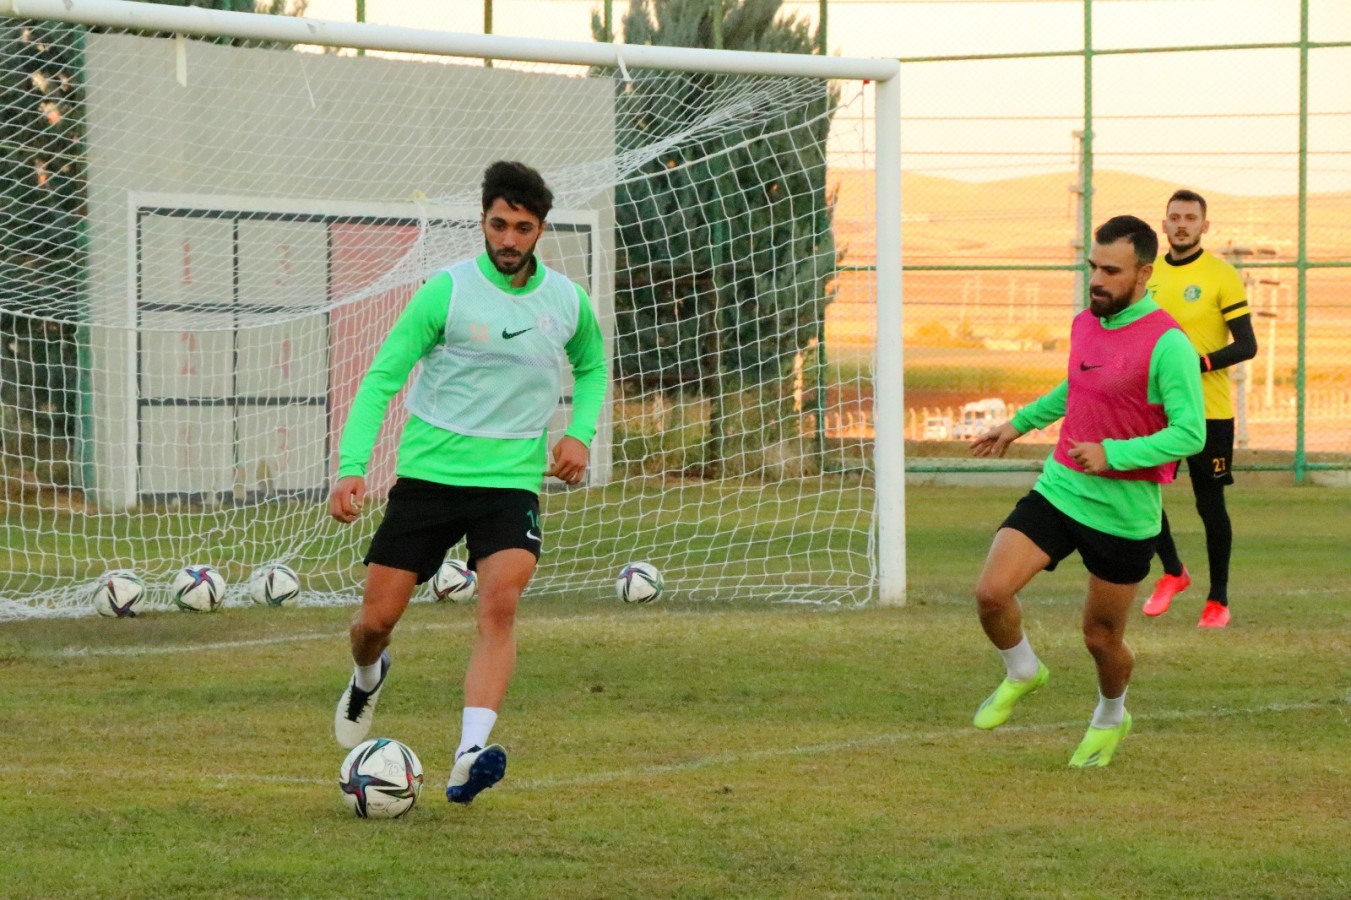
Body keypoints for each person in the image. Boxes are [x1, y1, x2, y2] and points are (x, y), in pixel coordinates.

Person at [329, 160, 608, 804]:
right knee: (375, 620)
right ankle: (368, 676)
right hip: (429, 476)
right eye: (499, 225)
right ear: (483, 221)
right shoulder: (446, 292)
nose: (508, 239)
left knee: (499, 604)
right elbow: (381, 379)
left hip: (510, 482)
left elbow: (593, 366)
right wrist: (351, 465)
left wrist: (579, 433)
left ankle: (468, 756)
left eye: (522, 228)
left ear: (541, 231)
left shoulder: (566, 301)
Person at [968, 215, 1204, 768]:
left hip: (1124, 513)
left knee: (1100, 639)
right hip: (1061, 488)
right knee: (991, 594)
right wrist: (1018, 424)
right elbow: (1077, 386)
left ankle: (1110, 714)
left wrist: (1112, 454)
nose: (1097, 279)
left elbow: (1189, 432)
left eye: (1111, 271)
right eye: (1093, 266)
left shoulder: (1169, 343)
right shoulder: (1086, 322)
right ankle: (1023, 669)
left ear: (1143, 273)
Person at [1142, 189, 1258, 628]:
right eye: (1175, 217)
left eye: (1191, 218)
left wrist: (1199, 363)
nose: (1182, 224)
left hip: (1209, 410)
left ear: (1204, 226)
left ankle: (1218, 600)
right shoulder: (1149, 275)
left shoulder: (1221, 275)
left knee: (1209, 505)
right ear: (1164, 224)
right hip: (1158, 410)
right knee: (1141, 493)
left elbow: (1247, 345)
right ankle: (1173, 571)